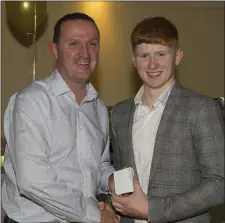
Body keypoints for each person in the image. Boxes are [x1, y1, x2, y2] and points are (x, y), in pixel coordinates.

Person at [2, 12, 118, 223]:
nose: (85, 53)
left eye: (92, 44)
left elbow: (98, 165)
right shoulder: (31, 101)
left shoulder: (99, 108)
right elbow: (33, 181)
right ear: (54, 50)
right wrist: (95, 215)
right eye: (74, 43)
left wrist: (111, 181)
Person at [109, 16, 224, 223]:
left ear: (177, 56)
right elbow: (122, 172)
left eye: (161, 54)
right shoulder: (119, 113)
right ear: (134, 61)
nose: (152, 64)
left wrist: (153, 209)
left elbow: (219, 183)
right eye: (144, 55)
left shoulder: (202, 109)